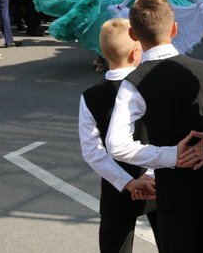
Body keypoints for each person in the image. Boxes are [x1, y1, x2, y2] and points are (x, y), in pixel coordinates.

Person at [106, 0, 203, 253]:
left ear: (133, 34)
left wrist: (170, 155)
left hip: (173, 193)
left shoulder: (133, 83)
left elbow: (116, 145)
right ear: (174, 29)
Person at [79, 18, 159, 253]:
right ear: (137, 52)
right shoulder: (153, 86)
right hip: (158, 180)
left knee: (115, 246)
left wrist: (128, 182)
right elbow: (167, 136)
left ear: (103, 54)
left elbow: (92, 151)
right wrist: (150, 176)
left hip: (116, 184)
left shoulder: (91, 96)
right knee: (173, 242)